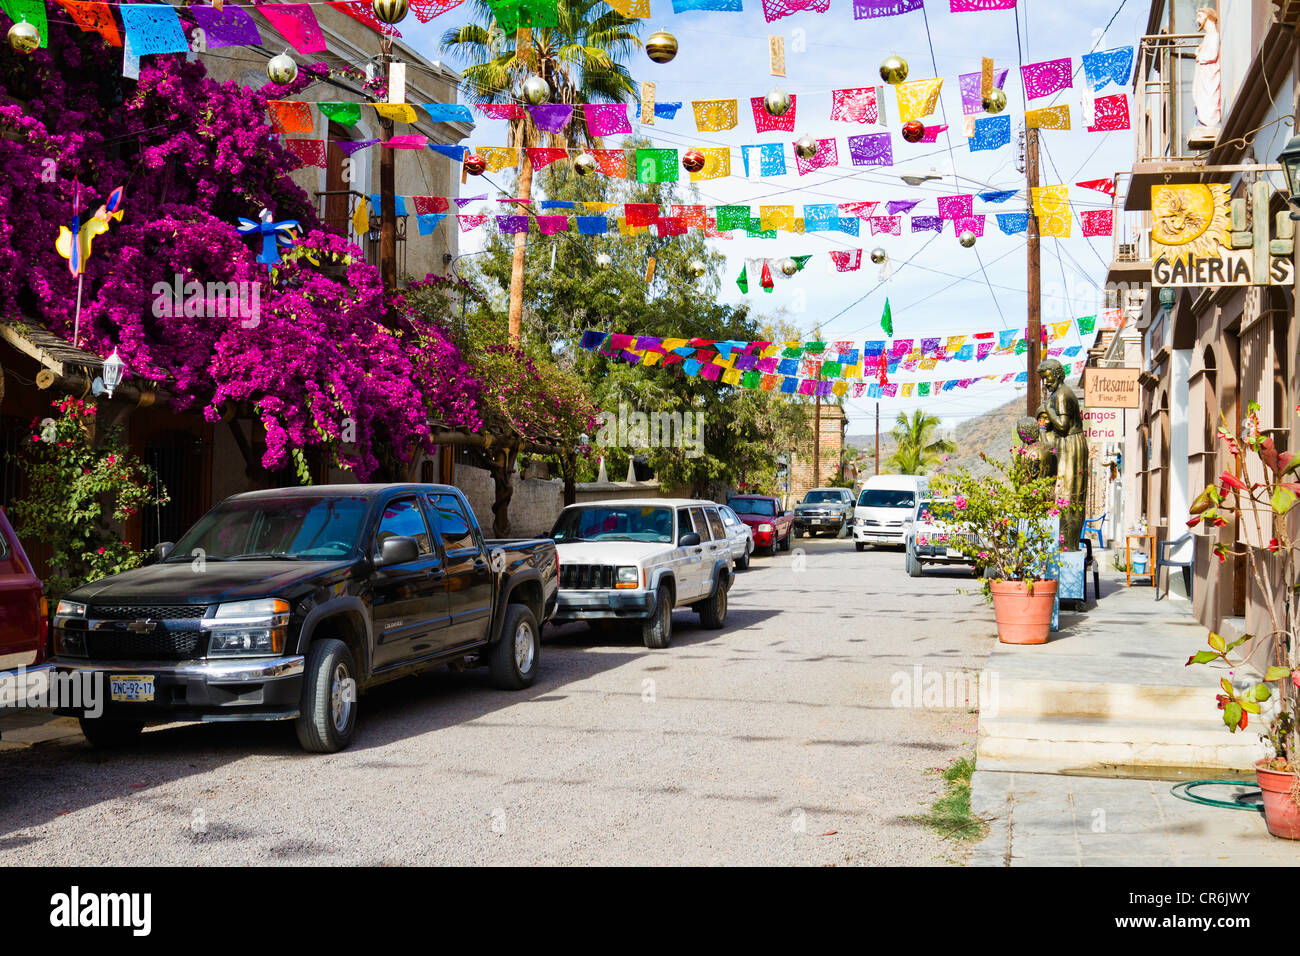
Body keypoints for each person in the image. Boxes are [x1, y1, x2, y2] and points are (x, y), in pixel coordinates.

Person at [1036, 358, 1089, 551]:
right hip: (1064, 444)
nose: (1046, 382)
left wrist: (1047, 410)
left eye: (1048, 377)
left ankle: (1069, 544)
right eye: (1043, 379)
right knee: (1060, 493)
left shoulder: (1061, 395)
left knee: (1067, 494)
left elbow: (1062, 425)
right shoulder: (1057, 394)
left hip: (1071, 446)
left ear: (1057, 374)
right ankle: (1063, 541)